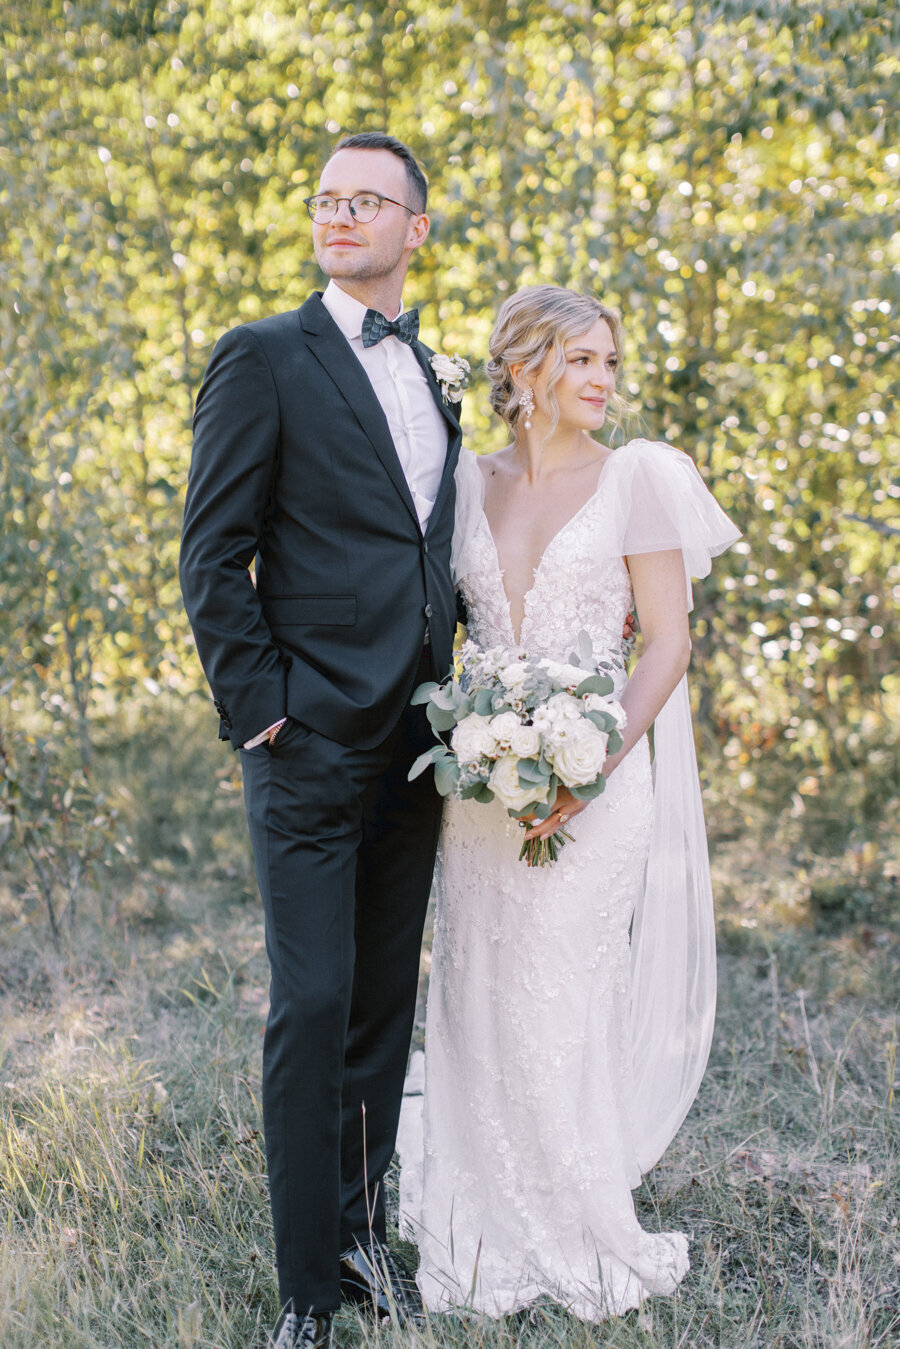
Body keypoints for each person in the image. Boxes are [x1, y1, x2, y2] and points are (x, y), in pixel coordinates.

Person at [398, 285, 741, 1322]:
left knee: (561, 992)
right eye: (582, 359)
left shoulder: (640, 479)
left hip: (598, 780)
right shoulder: (463, 484)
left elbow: (668, 644)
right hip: (482, 790)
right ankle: (481, 1200)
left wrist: (586, 769)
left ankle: (575, 1210)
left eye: (609, 363)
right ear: (523, 370)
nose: (601, 380)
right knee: (478, 987)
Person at [180, 133, 465, 1349]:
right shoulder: (262, 356)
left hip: (421, 738)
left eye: (367, 200)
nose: (339, 215)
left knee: (381, 1004)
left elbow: (430, 547)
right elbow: (211, 555)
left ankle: (362, 1242)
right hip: (305, 740)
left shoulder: (437, 372)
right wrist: (265, 715)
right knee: (312, 999)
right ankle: (307, 1290)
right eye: (325, 198)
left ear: (416, 228)